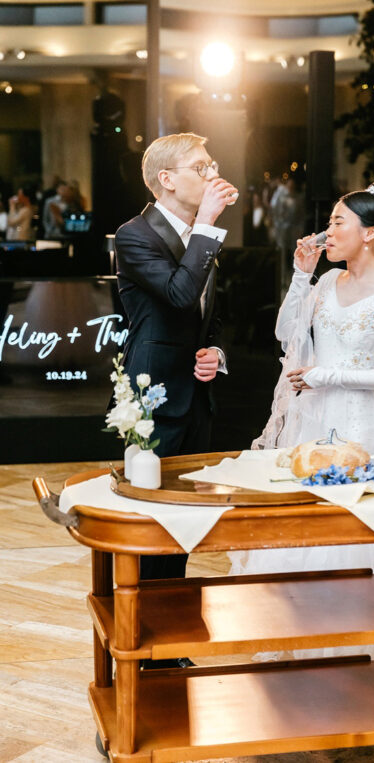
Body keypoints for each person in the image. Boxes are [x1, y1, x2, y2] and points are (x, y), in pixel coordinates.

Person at [231, 179, 374, 660]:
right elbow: (284, 334)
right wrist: (301, 275)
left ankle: (348, 638)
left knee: (348, 518)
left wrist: (328, 375)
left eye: (339, 222)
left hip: (359, 422)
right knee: (302, 513)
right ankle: (291, 628)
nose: (328, 231)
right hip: (311, 415)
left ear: (370, 233)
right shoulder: (324, 282)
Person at [114, 132, 238, 587]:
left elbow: (210, 316)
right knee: (150, 522)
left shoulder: (200, 236)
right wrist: (207, 224)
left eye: (212, 164)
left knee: (186, 521)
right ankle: (141, 642)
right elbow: (179, 294)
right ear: (166, 179)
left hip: (196, 396)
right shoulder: (134, 235)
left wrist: (216, 353)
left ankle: (172, 637)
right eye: (201, 168)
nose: (212, 175)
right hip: (153, 396)